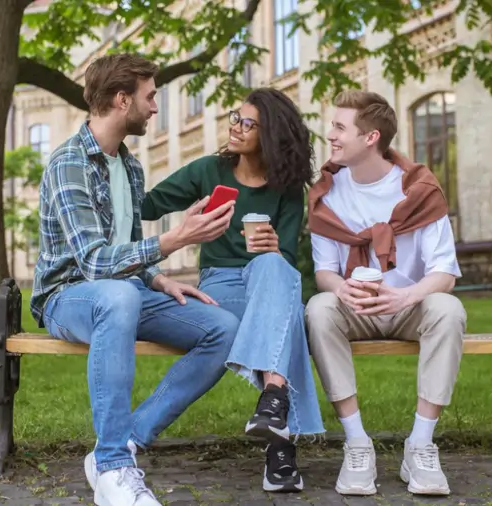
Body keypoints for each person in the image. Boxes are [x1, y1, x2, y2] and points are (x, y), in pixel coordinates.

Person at [30, 53, 242, 506]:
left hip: (123, 292)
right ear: (122, 99)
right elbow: (92, 261)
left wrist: (159, 279)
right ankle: (111, 468)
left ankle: (126, 440)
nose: (154, 108)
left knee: (223, 329)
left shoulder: (130, 166)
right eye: (150, 97)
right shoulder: (69, 163)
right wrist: (171, 240)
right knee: (118, 298)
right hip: (67, 297)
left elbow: (126, 249)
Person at [140, 88, 324, 493]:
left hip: (268, 278)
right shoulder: (209, 171)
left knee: (275, 272)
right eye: (234, 118)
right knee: (286, 319)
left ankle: (273, 408)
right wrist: (183, 228)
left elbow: (288, 258)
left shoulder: (288, 188)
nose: (235, 127)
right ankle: (280, 442)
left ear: (271, 134)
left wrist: (274, 245)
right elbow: (146, 205)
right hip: (221, 283)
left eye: (247, 123)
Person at [304, 90, 466, 497]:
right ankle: (357, 443)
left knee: (448, 309)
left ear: (371, 137)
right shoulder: (328, 192)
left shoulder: (418, 190)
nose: (331, 136)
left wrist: (404, 297)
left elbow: (444, 273)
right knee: (319, 308)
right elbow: (324, 271)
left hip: (408, 305)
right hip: (355, 307)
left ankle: (421, 445)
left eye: (340, 128)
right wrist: (344, 291)